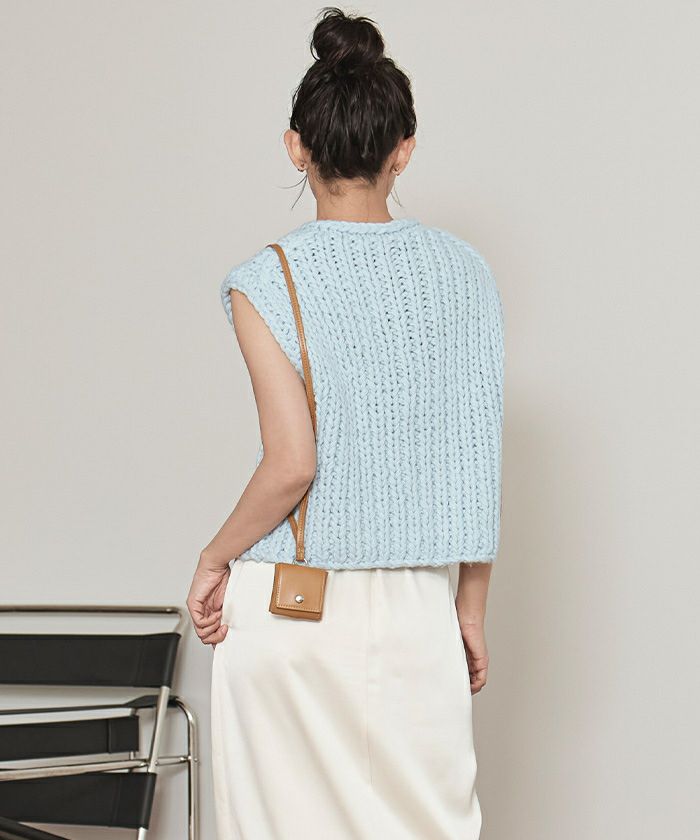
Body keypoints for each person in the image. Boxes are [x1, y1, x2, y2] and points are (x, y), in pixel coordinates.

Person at [186, 7, 505, 839]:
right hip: (419, 608)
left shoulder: (265, 280)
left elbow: (292, 463)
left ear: (297, 147)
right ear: (404, 149)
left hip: (293, 607)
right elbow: (476, 462)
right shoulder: (467, 274)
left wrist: (214, 557)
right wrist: (469, 612)